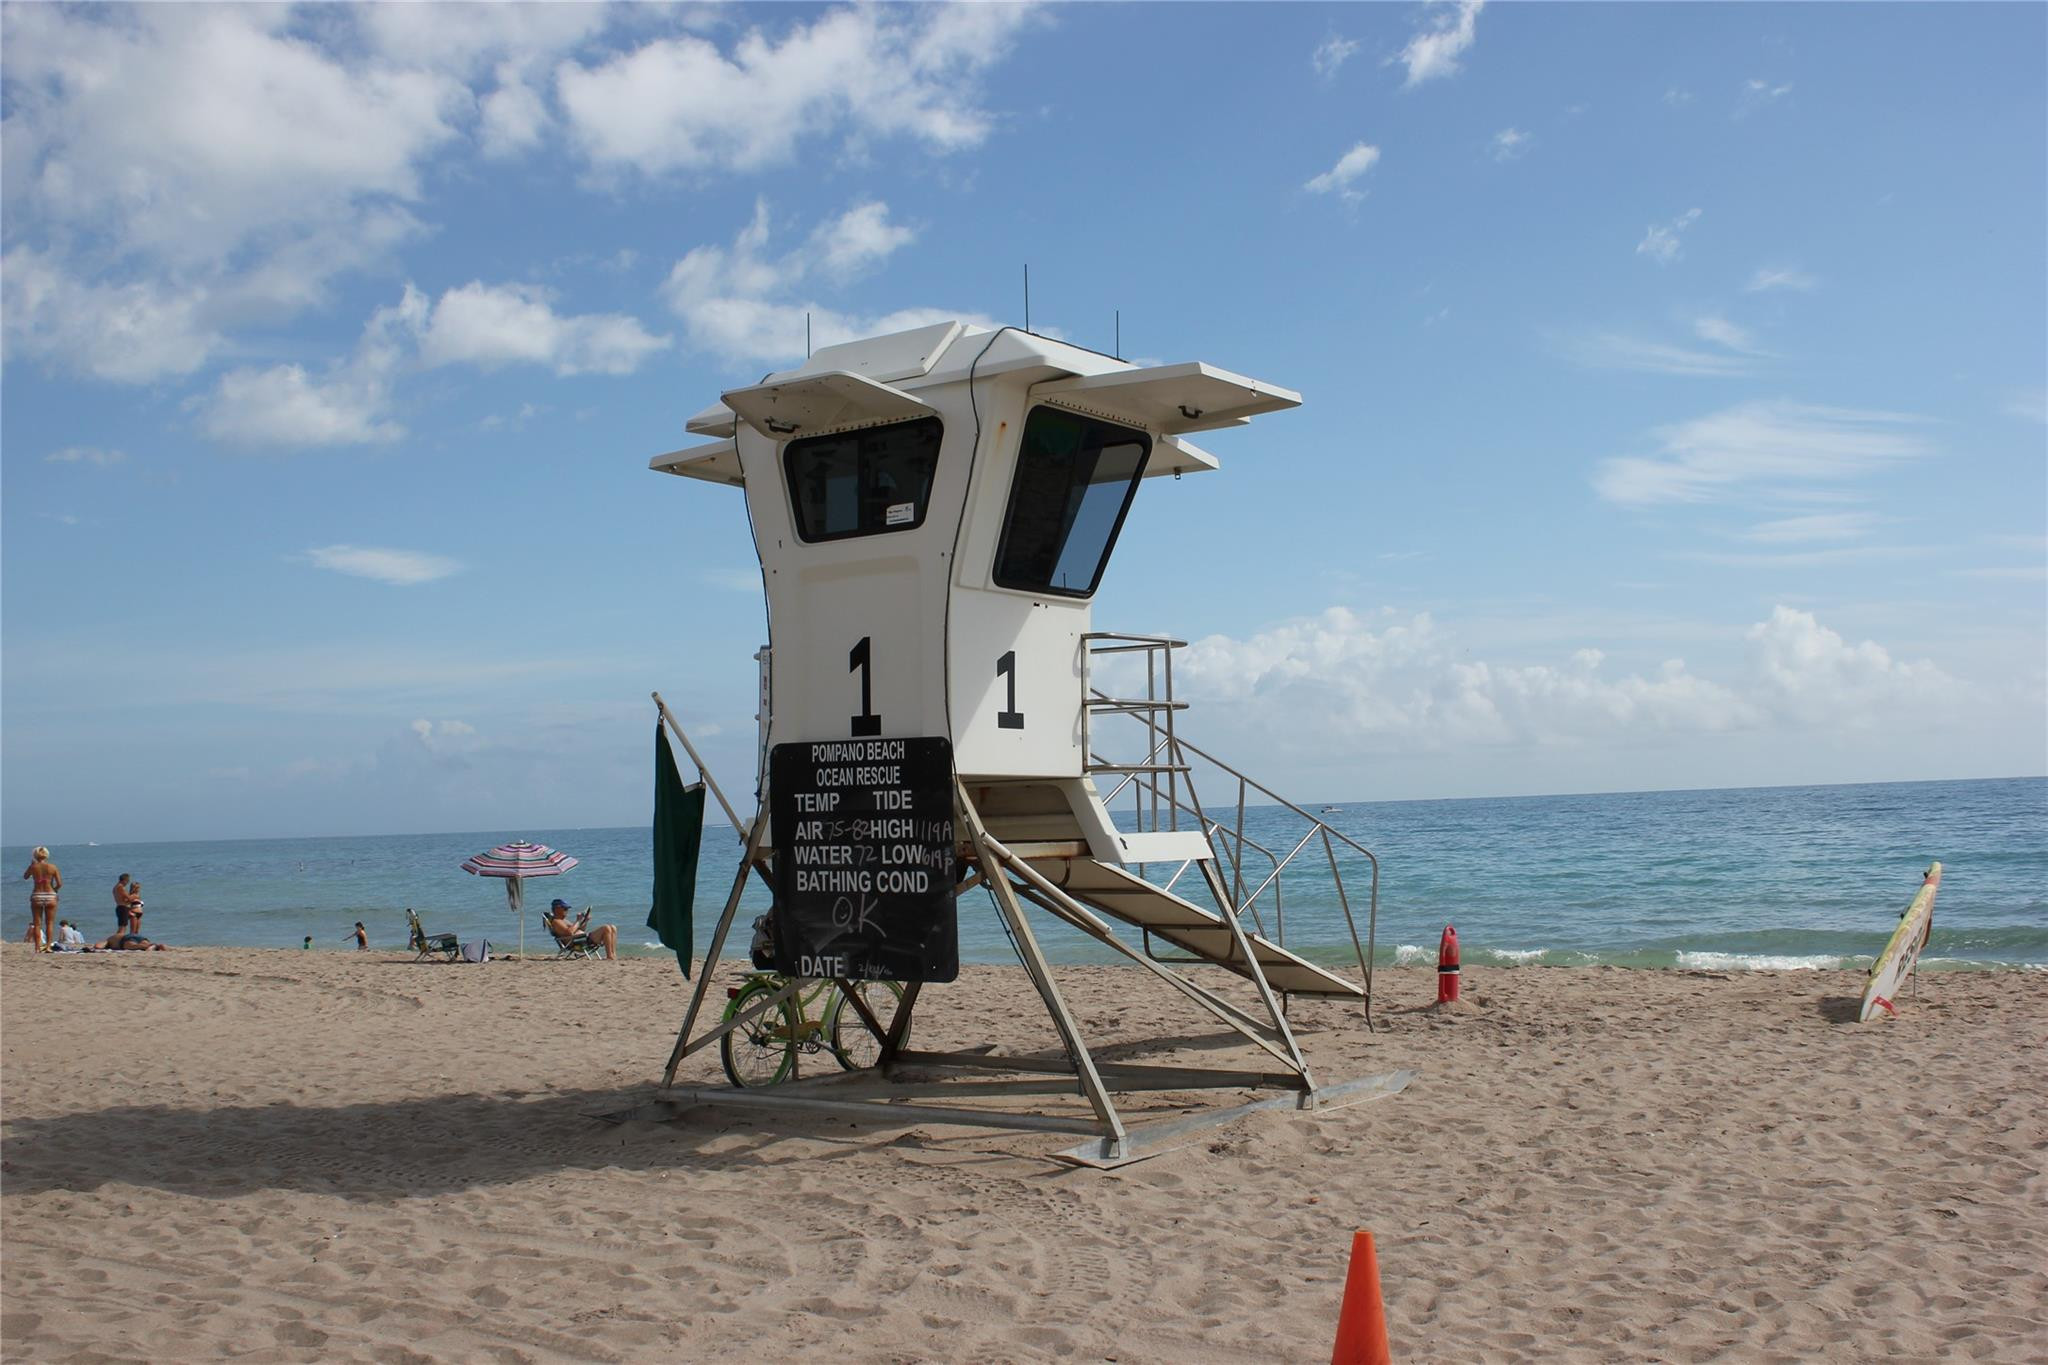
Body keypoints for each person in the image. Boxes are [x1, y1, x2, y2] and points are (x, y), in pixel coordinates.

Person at [545, 898, 618, 959]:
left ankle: (613, 954)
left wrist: (585, 921)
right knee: (606, 928)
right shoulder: (556, 921)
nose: (567, 911)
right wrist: (578, 920)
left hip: (581, 939)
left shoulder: (563, 920)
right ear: (557, 909)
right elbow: (570, 932)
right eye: (565, 909)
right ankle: (609, 955)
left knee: (613, 927)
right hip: (578, 943)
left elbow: (579, 930)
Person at [22, 847, 61, 951]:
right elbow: (59, 883)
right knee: (50, 923)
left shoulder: (33, 867)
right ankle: (48, 946)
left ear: (35, 856)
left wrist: (31, 866)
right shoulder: (52, 867)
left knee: (37, 923)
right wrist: (55, 890)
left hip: (37, 895)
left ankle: (37, 947)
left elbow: (25, 877)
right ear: (46, 855)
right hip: (50, 894)